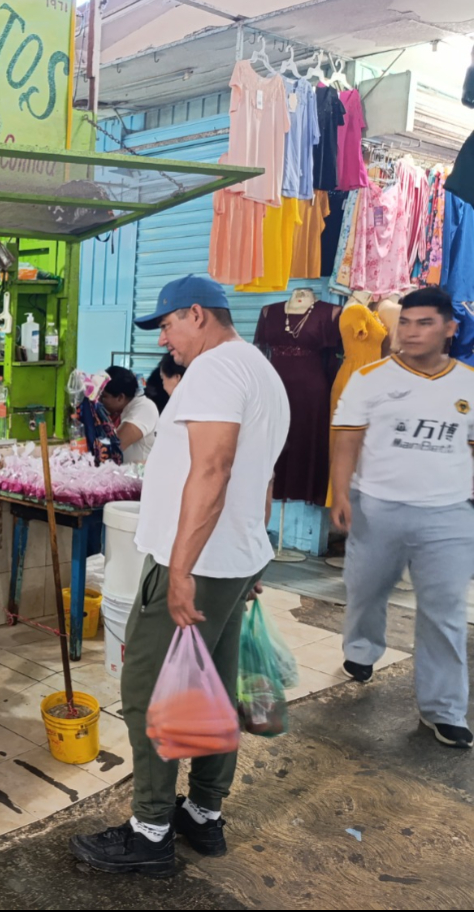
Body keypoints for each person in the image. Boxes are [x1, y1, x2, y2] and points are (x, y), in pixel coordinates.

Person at [70, 274, 289, 877]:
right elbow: (260, 475)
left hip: (195, 563)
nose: (165, 341)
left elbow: (214, 469)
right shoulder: (261, 370)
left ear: (198, 314)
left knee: (150, 693)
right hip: (233, 559)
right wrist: (251, 553)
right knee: (213, 692)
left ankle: (150, 831)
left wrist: (184, 567)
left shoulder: (216, 370)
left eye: (167, 325)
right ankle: (203, 814)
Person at [330, 287, 474, 749]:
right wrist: (341, 493)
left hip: (448, 515)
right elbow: (347, 438)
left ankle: (444, 709)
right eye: (405, 322)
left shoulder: (468, 384)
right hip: (378, 508)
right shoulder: (370, 378)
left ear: (450, 328)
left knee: (446, 612)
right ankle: (361, 651)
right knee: (366, 590)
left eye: (424, 322)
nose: (410, 331)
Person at [100, 365, 160, 465]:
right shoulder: (125, 409)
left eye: (104, 397)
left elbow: (114, 446)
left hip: (140, 477)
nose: (100, 401)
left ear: (120, 397)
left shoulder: (144, 408)